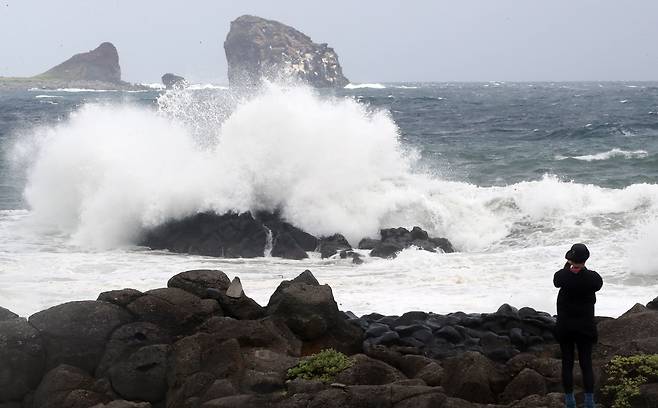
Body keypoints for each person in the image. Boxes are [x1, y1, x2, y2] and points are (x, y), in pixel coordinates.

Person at [553, 243, 603, 408]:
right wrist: (580, 265)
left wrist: (569, 264)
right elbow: (595, 282)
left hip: (565, 328)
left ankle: (570, 401)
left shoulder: (561, 276)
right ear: (586, 258)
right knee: (586, 364)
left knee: (567, 363)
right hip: (585, 328)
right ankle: (589, 402)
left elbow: (559, 278)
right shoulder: (593, 279)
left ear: (570, 259)